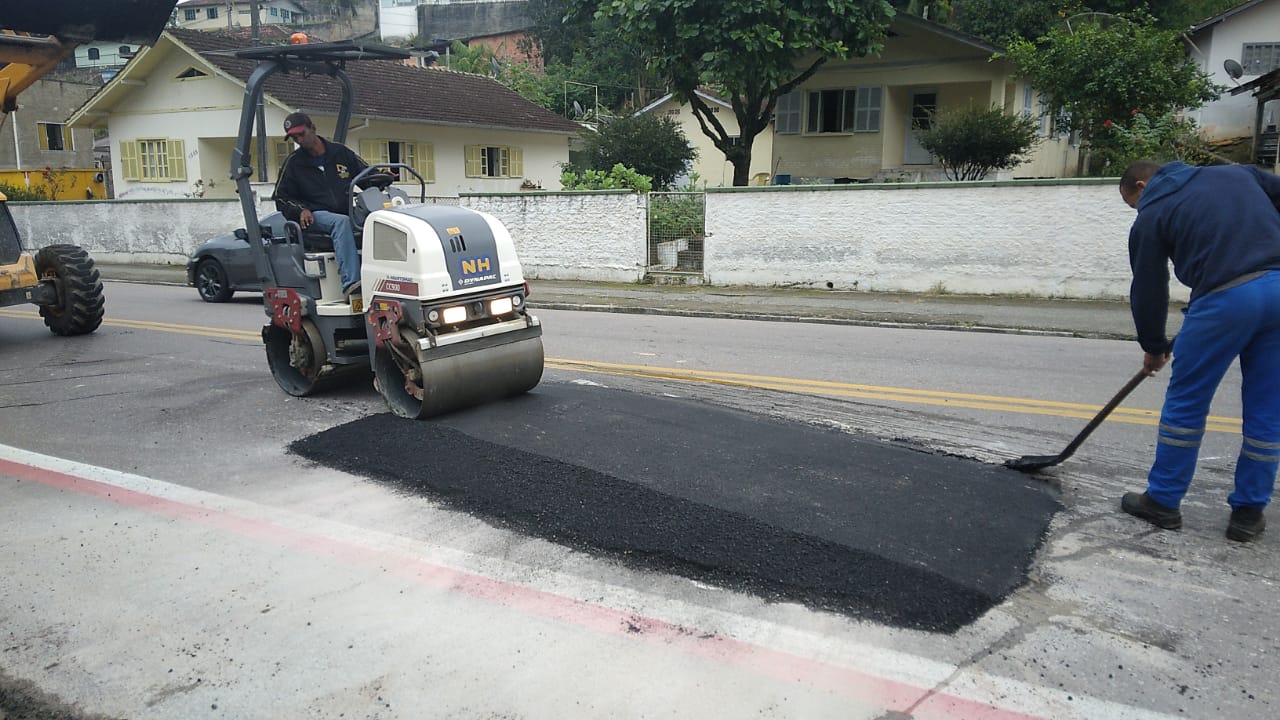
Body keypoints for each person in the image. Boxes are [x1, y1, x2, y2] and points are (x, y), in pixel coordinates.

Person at [1118, 159, 1280, 542]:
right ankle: (1248, 513)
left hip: (1224, 298)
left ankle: (1163, 501)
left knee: (1187, 404)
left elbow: (1149, 287)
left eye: (1133, 203)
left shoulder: (1153, 212)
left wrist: (1154, 346)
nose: (1137, 212)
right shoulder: (1241, 174)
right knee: (1268, 408)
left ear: (1142, 185)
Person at [273, 112, 369, 297]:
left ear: (313, 129)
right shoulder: (293, 163)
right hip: (315, 215)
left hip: (346, 210)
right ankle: (352, 282)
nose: (299, 140)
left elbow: (365, 175)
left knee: (378, 218)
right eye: (294, 137)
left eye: (301, 134)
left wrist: (383, 177)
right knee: (340, 222)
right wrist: (301, 210)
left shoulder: (341, 152)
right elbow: (280, 197)